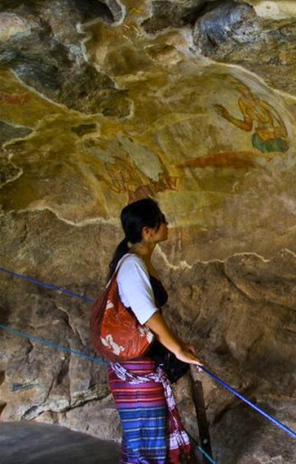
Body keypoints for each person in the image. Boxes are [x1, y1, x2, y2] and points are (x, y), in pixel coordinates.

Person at [106, 197, 202, 464]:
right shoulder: (132, 265)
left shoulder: (136, 261)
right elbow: (148, 316)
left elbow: (148, 315)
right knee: (147, 440)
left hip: (140, 362)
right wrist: (178, 350)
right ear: (148, 232)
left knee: (150, 435)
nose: (167, 224)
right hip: (136, 369)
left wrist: (179, 343)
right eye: (162, 219)